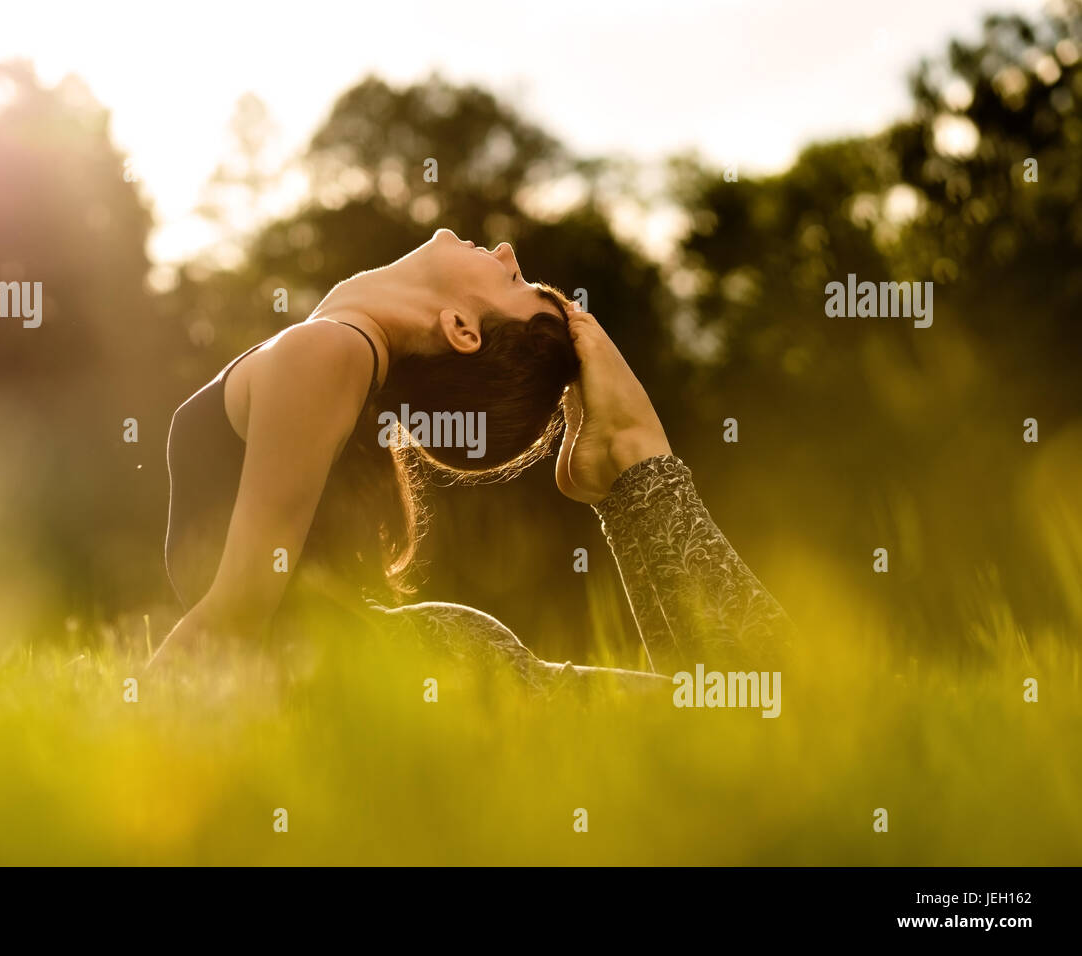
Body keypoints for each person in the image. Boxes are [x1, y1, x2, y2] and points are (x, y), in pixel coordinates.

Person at [152, 228, 792, 694]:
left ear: (462, 327)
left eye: (512, 282)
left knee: (764, 702)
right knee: (745, 705)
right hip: (427, 673)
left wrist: (128, 718)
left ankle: (630, 456)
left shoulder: (329, 353)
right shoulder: (330, 355)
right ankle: (629, 469)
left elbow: (236, 613)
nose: (508, 253)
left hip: (430, 674)